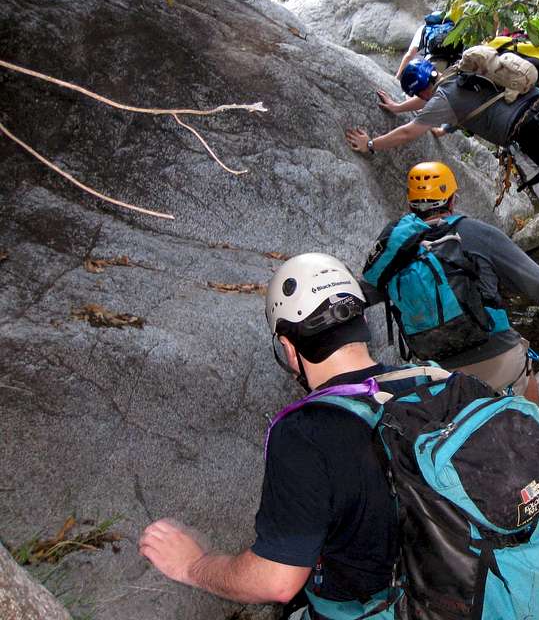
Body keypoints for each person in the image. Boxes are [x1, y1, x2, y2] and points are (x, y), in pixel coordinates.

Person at [139, 254, 401, 620]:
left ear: (288, 348)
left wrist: (193, 566)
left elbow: (276, 581)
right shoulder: (442, 384)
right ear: (363, 321)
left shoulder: (304, 434)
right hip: (478, 594)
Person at [345, 59, 539, 299]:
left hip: (530, 133)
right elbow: (430, 104)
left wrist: (371, 144)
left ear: (420, 89)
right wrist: (399, 106)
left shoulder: (440, 99)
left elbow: (411, 129)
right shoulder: (460, 72)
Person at [363, 162, 539, 404]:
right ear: (452, 199)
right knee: (525, 373)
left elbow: (363, 295)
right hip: (498, 356)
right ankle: (536, 429)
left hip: (440, 373)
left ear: (410, 204)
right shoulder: (476, 232)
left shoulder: (394, 250)